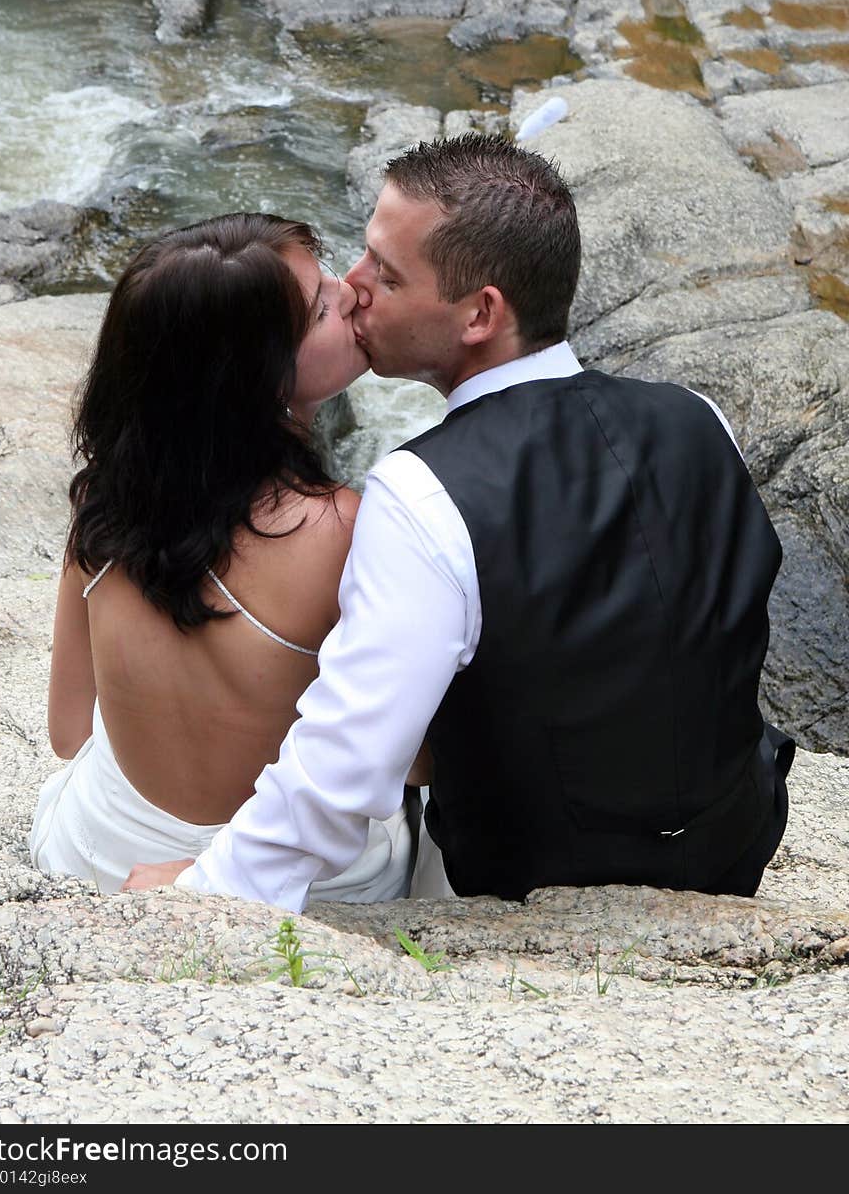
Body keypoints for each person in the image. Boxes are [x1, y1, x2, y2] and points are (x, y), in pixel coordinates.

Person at [123, 135, 793, 907]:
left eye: (386, 271)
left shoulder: (419, 494)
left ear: (480, 314)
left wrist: (206, 888)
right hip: (732, 844)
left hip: (524, 887)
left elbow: (346, 766)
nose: (351, 286)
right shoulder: (701, 418)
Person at [30, 211, 416, 898]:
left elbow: (67, 731)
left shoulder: (103, 502)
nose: (353, 290)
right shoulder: (342, 527)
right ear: (263, 377)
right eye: (321, 305)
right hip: (287, 882)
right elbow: (412, 762)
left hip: (95, 849)